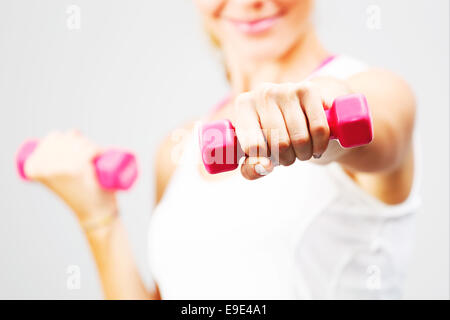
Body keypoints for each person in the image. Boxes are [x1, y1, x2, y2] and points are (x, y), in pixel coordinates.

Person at [24, 0, 420, 299]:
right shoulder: (176, 152)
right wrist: (99, 216)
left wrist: (321, 111)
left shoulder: (377, 90)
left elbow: (371, 127)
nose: (251, 2)